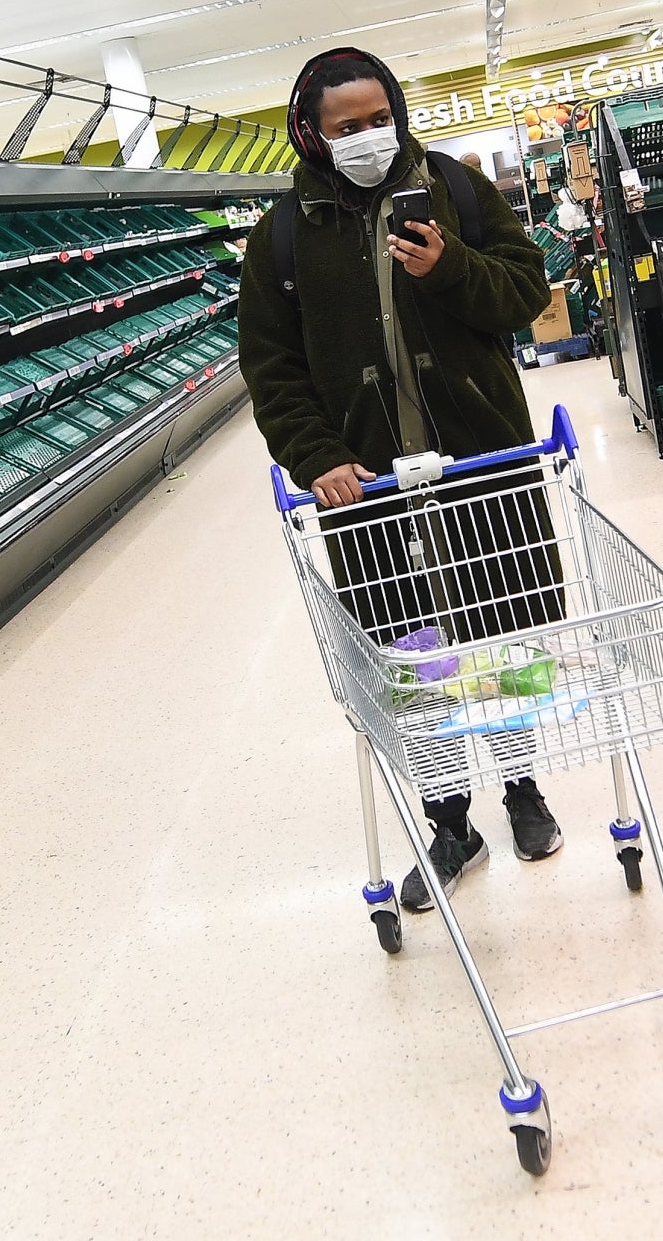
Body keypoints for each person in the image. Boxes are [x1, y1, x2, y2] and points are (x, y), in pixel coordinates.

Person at [240, 48, 564, 913]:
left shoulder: (457, 190)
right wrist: (313, 458)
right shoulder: (280, 236)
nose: (368, 138)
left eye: (379, 118)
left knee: (508, 639)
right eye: (347, 128)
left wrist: (446, 267)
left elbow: (527, 291)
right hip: (369, 495)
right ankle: (449, 819)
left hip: (482, 466)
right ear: (312, 135)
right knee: (412, 658)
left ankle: (523, 786)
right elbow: (270, 367)